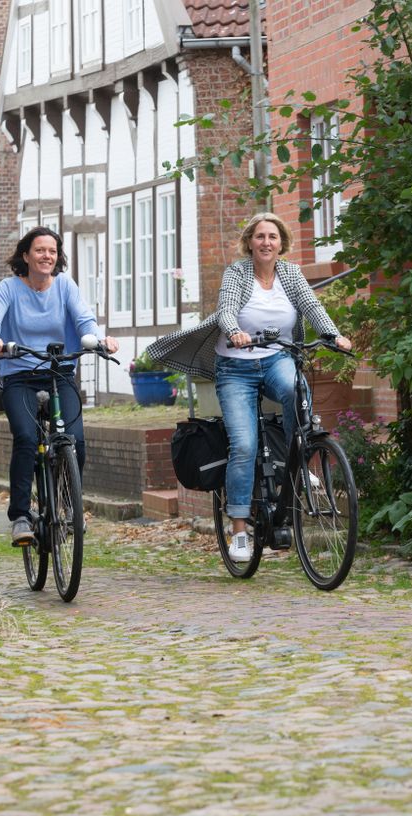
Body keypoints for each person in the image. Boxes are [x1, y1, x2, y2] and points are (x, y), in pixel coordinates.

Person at [148, 211, 352, 561]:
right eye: (260, 236)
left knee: (296, 391)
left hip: (276, 360)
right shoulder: (237, 273)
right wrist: (234, 332)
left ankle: (299, 463)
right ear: (250, 242)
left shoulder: (290, 273)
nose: (266, 243)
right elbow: (226, 309)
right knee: (244, 445)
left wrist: (332, 333)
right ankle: (239, 530)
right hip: (236, 367)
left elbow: (311, 305)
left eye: (273, 237)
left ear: (281, 242)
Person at [0, 226, 119, 545]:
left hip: (59, 374)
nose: (47, 256)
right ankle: (20, 517)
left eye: (53, 251)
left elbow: (84, 320)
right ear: (26, 255)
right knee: (27, 439)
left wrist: (99, 340)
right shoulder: (9, 288)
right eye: (40, 250)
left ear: (58, 257)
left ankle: (68, 505)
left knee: (76, 441)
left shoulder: (65, 286)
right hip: (20, 375)